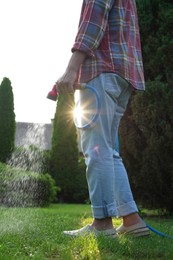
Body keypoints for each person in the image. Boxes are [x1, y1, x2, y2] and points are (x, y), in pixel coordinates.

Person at [55, 0, 150, 238]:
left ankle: (102, 224)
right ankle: (131, 220)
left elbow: (93, 21)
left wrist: (72, 68)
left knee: (95, 149)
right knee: (108, 150)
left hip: (100, 69)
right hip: (124, 74)